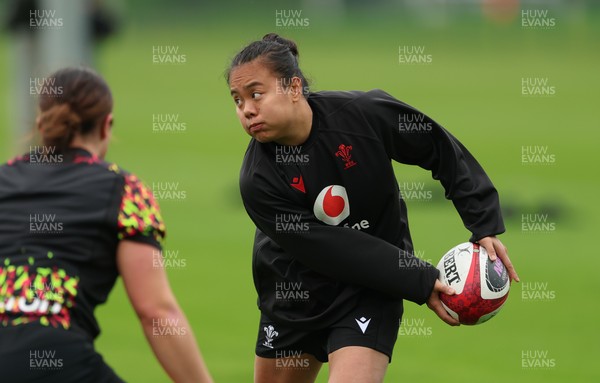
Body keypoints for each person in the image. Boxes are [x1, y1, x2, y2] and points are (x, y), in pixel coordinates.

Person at [227, 33, 520, 383]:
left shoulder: (361, 115)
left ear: (293, 88)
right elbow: (331, 249)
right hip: (294, 296)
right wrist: (419, 279)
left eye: (256, 94)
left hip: (369, 289)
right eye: (237, 100)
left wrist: (483, 222)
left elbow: (438, 146)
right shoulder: (257, 180)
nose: (246, 109)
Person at [0, 67, 213, 383]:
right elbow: (156, 312)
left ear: (41, 123)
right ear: (106, 126)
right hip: (59, 358)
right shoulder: (125, 191)